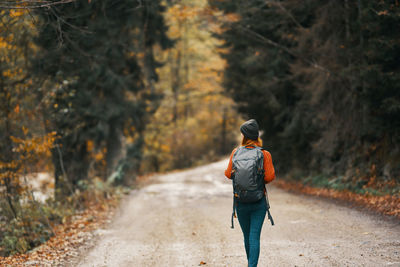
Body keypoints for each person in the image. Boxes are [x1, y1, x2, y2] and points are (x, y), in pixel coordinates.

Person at [224, 119, 275, 267]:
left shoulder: (235, 152)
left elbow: (228, 174)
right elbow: (270, 177)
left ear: (243, 136)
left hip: (241, 201)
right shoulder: (264, 154)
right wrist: (257, 178)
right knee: (254, 237)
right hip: (258, 202)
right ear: (256, 136)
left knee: (247, 237)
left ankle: (250, 264)